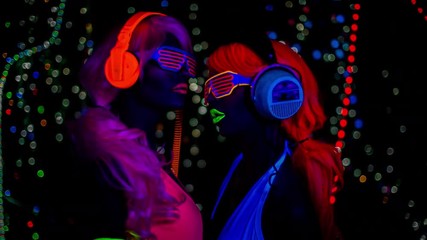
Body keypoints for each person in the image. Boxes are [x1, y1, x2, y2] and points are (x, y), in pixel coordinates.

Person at [66, 11, 203, 240]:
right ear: (126, 66)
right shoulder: (104, 159)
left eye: (188, 64)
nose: (184, 73)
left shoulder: (152, 159)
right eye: (171, 59)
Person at [203, 37, 345, 239]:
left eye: (221, 83)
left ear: (269, 88)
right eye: (208, 88)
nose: (209, 98)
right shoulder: (238, 164)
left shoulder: (287, 197)